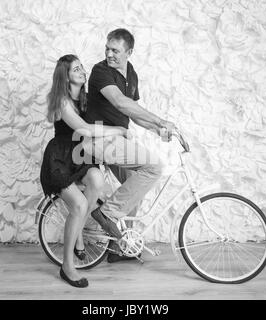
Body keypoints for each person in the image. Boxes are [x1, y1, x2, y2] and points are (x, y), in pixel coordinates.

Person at [83, 28, 181, 262]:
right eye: (107, 48)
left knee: (134, 187)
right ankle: (106, 214)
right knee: (154, 167)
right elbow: (121, 102)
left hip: (118, 139)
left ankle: (119, 247)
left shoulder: (131, 74)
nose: (109, 54)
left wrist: (159, 130)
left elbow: (134, 115)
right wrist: (160, 119)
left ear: (130, 52)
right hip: (99, 139)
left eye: (115, 50)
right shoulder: (100, 71)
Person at [40, 54, 131, 287]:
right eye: (75, 69)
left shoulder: (86, 99)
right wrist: (118, 130)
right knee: (79, 206)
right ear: (66, 76)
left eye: (82, 67)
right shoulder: (61, 100)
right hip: (60, 158)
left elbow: (101, 121)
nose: (82, 71)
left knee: (98, 180)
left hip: (80, 156)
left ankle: (79, 232)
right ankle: (67, 267)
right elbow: (85, 129)